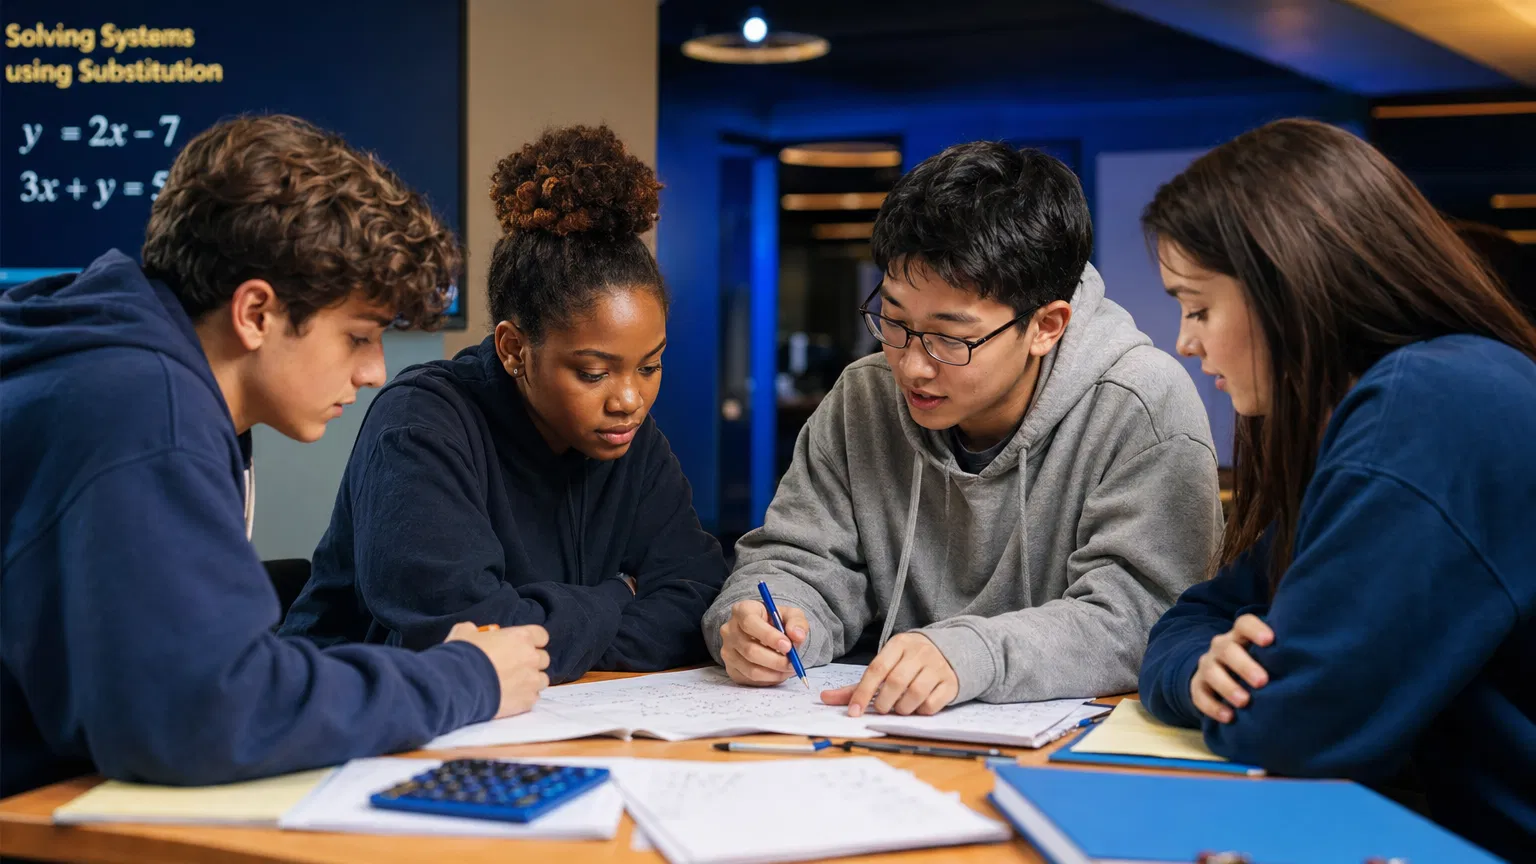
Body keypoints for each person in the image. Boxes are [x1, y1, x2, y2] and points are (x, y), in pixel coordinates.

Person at [0, 115, 549, 798]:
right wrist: (468, 677)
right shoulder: (145, 412)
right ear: (256, 312)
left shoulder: (125, 366)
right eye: (358, 336)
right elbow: (205, 717)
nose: (375, 371)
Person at [703, 140, 1223, 715]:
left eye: (951, 338)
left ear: (1046, 326)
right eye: (894, 320)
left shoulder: (1140, 404)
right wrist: (765, 622)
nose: (911, 366)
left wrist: (970, 654)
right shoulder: (863, 397)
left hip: (1073, 746)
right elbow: (794, 562)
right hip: (881, 732)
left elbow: (1142, 617)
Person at [1137, 119, 1536, 860]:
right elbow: (1201, 613)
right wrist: (1200, 671)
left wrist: (1228, 681)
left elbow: (1291, 726)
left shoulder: (1429, 412)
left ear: (1283, 287)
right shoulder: (1411, 397)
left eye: (1198, 307)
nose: (1186, 343)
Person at [281, 125, 726, 683]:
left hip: (554, 711)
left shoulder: (627, 437)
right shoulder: (420, 427)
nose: (629, 399)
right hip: (359, 720)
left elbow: (699, 598)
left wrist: (553, 628)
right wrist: (616, 595)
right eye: (593, 373)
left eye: (649, 366)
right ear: (514, 349)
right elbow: (468, 640)